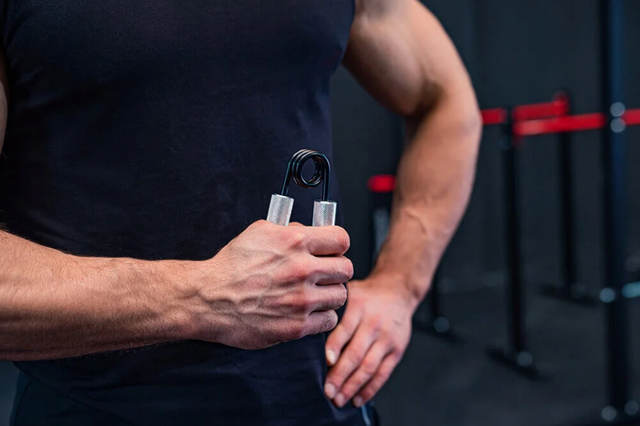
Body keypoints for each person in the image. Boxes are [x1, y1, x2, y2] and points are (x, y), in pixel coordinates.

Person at [0, 0, 481, 424]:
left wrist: (400, 286)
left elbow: (445, 100)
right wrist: (202, 297)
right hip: (96, 409)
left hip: (321, 401)